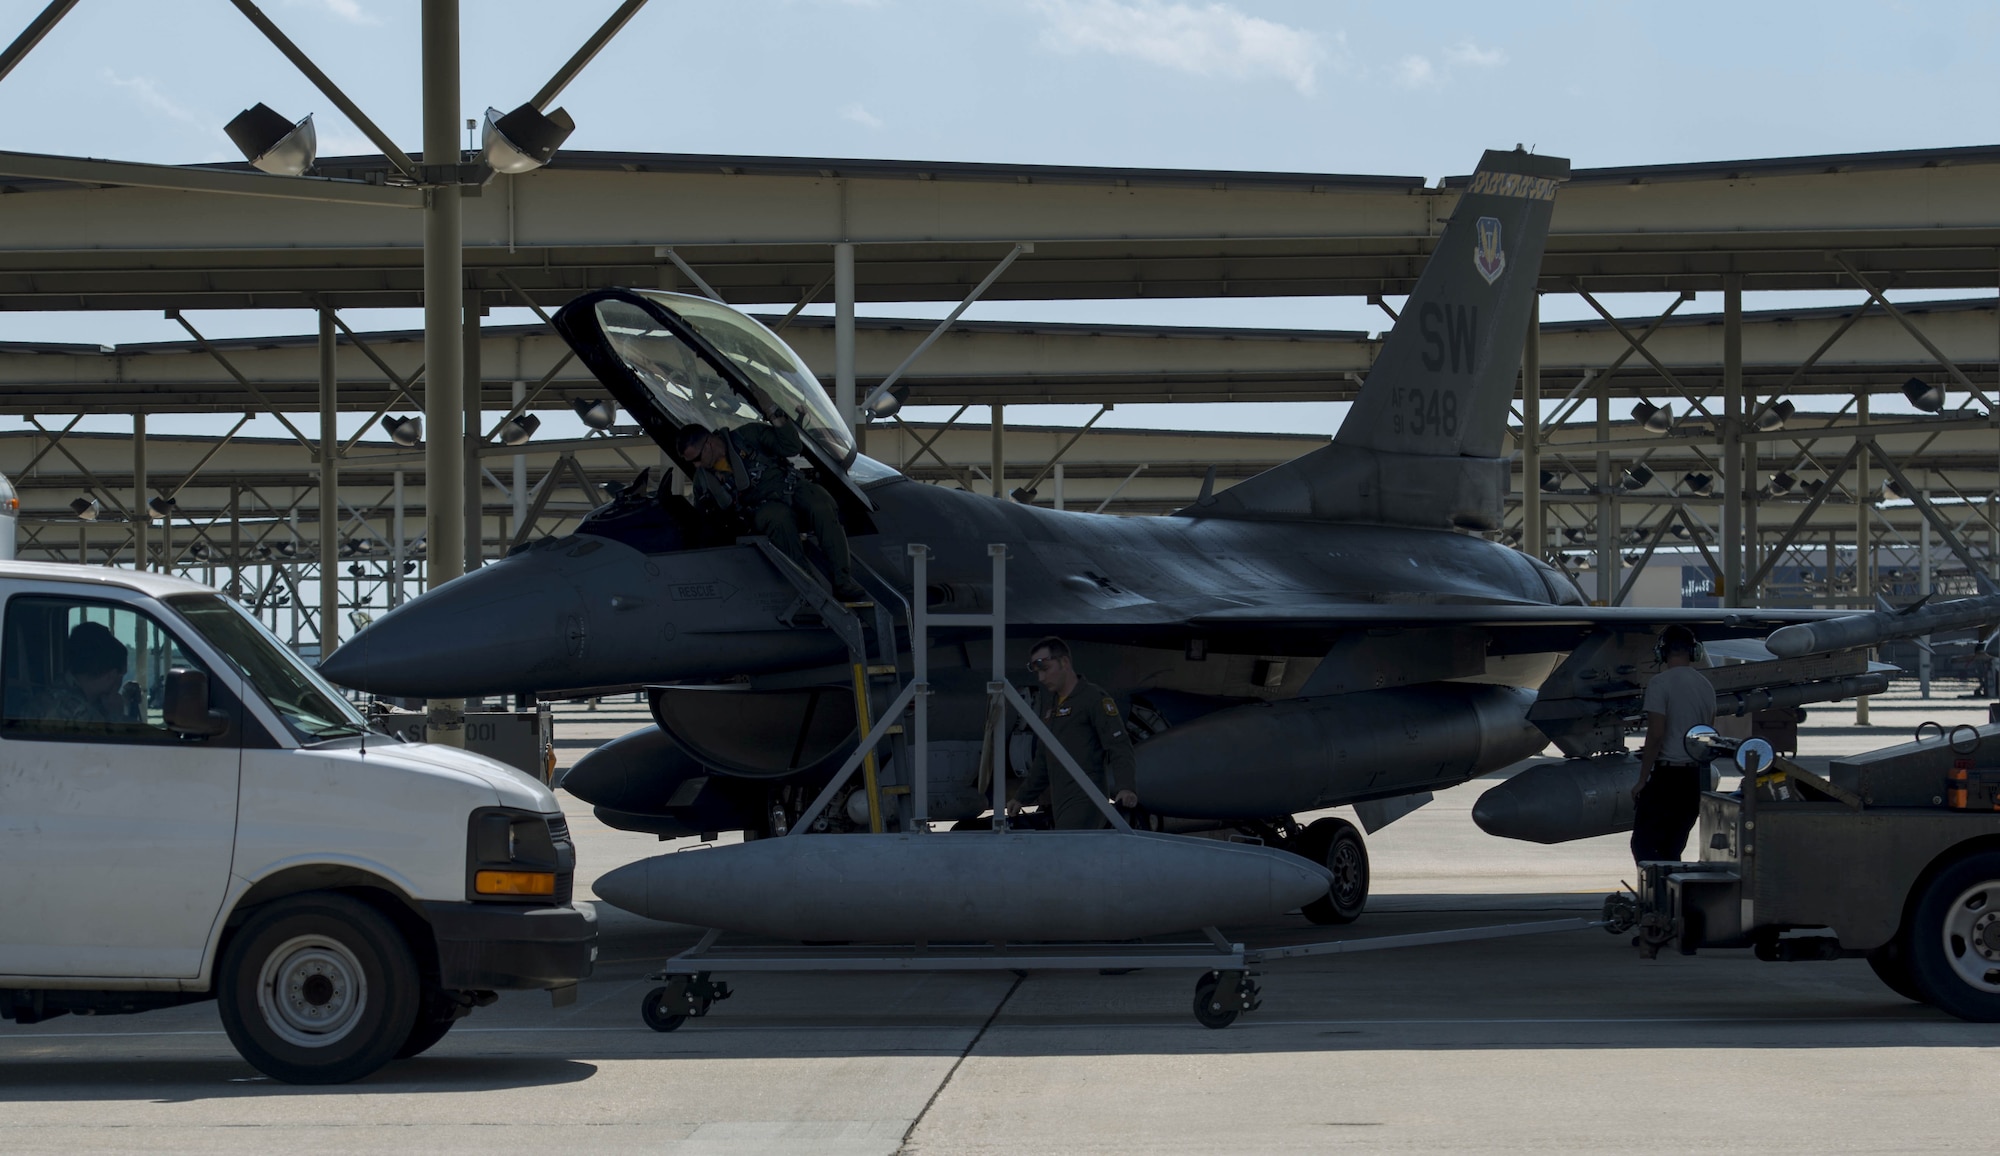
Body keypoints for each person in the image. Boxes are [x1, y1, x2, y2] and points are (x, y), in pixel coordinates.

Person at [675, 413, 866, 603]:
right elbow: (703, 519)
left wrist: (776, 416)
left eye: (697, 458)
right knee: (778, 519)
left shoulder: (748, 436)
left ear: (709, 443)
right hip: (762, 511)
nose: (697, 465)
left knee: (821, 503)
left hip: (791, 488)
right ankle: (810, 588)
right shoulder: (704, 481)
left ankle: (843, 582)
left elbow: (791, 446)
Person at [1006, 636, 1138, 830]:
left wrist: (1125, 787)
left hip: (1086, 799)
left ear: (1064, 662)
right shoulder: (1053, 707)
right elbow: (1043, 760)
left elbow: (1119, 745)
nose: (1041, 678)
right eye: (1037, 672)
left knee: (1067, 853)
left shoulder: (1093, 699)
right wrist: (1021, 798)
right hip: (1061, 801)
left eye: (1045, 669)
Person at [1630, 624, 1715, 865]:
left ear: (1662, 653)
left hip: (1667, 777)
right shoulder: (1706, 687)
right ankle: (1671, 900)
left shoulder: (1660, 683)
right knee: (1672, 848)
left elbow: (1657, 734)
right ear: (1693, 652)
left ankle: (1655, 900)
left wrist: (1642, 779)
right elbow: (1706, 732)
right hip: (1693, 780)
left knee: (1643, 845)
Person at [30, 621, 135, 727]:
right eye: (122, 674)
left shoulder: (57, 692)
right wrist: (116, 716)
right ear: (111, 675)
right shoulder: (77, 712)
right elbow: (111, 741)